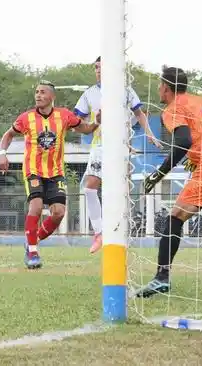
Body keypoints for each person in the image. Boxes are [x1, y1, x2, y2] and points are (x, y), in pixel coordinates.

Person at [0, 81, 99, 269]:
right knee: (35, 207)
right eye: (36, 92)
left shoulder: (64, 116)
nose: (38, 95)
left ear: (52, 97)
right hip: (33, 170)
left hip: (55, 172)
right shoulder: (26, 118)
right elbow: (8, 135)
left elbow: (84, 128)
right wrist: (2, 154)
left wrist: (96, 123)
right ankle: (33, 253)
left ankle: (32, 241)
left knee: (59, 213)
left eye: (43, 92)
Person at [74, 56, 160, 254]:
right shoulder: (90, 94)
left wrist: (149, 133)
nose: (98, 71)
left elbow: (139, 113)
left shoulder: (126, 91)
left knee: (121, 192)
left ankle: (122, 234)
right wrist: (95, 122)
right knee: (89, 189)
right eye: (96, 67)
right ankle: (99, 233)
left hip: (121, 147)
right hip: (100, 146)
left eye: (101, 67)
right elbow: (77, 123)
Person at [136, 67, 202, 298]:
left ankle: (161, 277)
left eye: (159, 85)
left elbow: (184, 140)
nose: (158, 89)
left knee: (175, 217)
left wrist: (159, 174)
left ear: (166, 87)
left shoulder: (172, 109)